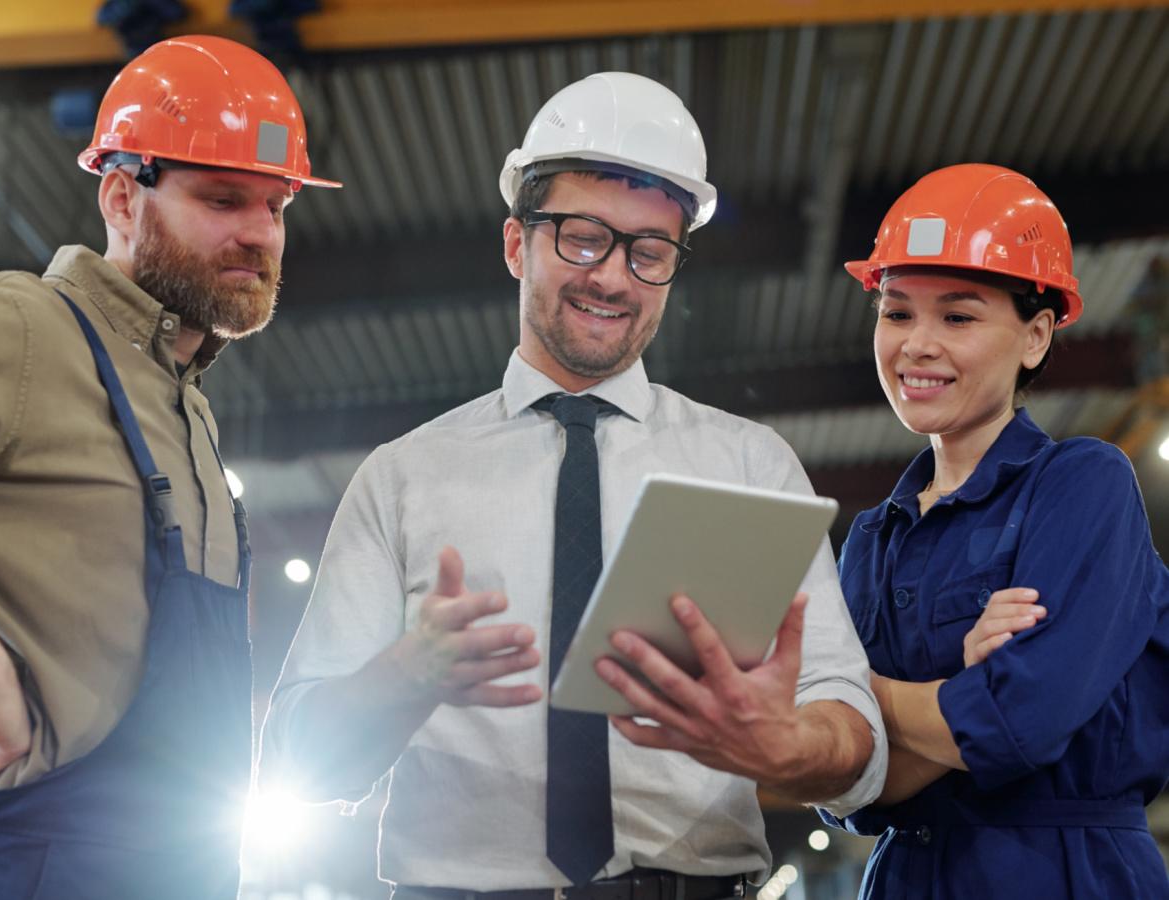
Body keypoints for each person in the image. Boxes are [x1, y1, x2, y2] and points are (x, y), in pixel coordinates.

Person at [266, 71, 885, 897]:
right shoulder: (404, 478)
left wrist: (789, 748)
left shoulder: (748, 464)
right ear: (517, 243)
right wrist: (407, 675)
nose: (614, 278)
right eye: (583, 237)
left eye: (649, 252)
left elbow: (851, 725)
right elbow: (297, 764)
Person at [0, 35, 338, 899]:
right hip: (30, 869)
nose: (259, 234)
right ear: (121, 197)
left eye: (277, 207)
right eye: (223, 198)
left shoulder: (188, 409)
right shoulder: (27, 330)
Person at [823, 163, 1169, 898]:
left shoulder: (1083, 485)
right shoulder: (869, 542)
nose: (916, 344)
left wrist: (858, 692)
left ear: (1037, 335)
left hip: (1064, 873)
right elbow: (847, 783)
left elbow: (1024, 720)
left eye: (958, 316)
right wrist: (960, 690)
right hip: (905, 877)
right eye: (896, 312)